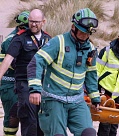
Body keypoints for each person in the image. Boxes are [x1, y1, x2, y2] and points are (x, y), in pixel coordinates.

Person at [27, 8, 100, 136]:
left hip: (77, 101)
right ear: (73, 27)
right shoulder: (58, 42)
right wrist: (35, 89)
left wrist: (95, 98)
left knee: (89, 133)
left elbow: (91, 75)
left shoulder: (91, 49)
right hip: (54, 100)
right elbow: (36, 62)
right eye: (82, 32)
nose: (85, 36)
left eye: (88, 33)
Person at [0, 9, 51, 136]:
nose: (34, 24)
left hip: (43, 85)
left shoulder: (48, 39)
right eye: (31, 21)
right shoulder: (20, 38)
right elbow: (8, 59)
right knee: (29, 120)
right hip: (24, 85)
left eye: (37, 22)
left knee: (42, 121)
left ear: (43, 22)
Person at [0, 10, 30, 136]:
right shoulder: (12, 40)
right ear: (22, 26)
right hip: (10, 85)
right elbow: (16, 64)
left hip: (20, 84)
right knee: (12, 118)